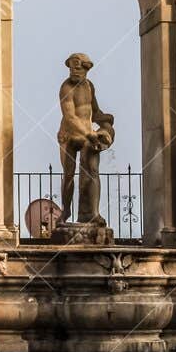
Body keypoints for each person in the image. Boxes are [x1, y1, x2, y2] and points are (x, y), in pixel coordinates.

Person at [57, 53, 114, 224]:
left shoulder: (89, 86)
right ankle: (66, 211)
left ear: (86, 70)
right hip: (69, 135)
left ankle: (93, 213)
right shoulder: (66, 88)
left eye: (78, 68)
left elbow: (94, 111)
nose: (74, 71)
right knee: (68, 175)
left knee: (93, 172)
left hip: (88, 135)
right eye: (72, 68)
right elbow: (70, 116)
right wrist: (89, 133)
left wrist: (105, 120)